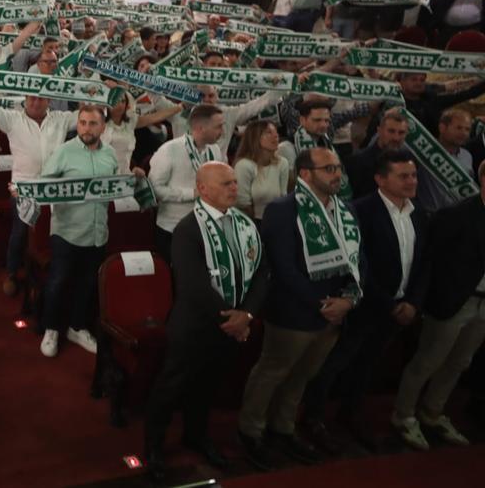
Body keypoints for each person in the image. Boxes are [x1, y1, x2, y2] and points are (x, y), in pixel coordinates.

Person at [238, 147, 362, 470]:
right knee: (271, 374)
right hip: (294, 313)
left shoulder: (345, 209)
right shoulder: (282, 210)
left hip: (333, 314)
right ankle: (251, 433)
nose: (337, 175)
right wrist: (322, 304)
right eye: (328, 169)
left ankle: (283, 429)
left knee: (302, 377)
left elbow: (357, 260)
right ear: (305, 174)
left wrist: (348, 300)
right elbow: (282, 268)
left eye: (338, 168)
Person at [143, 162, 267, 481]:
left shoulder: (246, 223)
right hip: (195, 326)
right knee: (172, 385)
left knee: (208, 385)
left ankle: (196, 435)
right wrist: (234, 319)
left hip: (232, 325)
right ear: (203, 189)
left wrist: (247, 314)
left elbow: (261, 273)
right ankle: (154, 445)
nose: (234, 188)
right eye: (226, 183)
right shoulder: (187, 229)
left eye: (235, 182)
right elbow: (193, 286)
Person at [301, 151, 427, 453]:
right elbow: (359, 264)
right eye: (403, 176)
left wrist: (412, 302)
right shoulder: (359, 211)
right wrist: (389, 304)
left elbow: (424, 262)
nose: (411, 181)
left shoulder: (418, 212)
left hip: (399, 308)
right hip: (365, 307)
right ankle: (313, 418)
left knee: (368, 365)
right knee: (335, 363)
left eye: (413, 175)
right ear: (380, 179)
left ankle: (351, 414)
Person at [391, 160, 485, 451]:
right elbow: (433, 260)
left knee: (459, 362)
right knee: (428, 361)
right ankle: (403, 417)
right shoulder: (457, 215)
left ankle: (432, 413)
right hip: (453, 302)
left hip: (483, 307)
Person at [0, 85, 78, 296]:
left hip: (54, 190)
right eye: (32, 98)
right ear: (25, 99)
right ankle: (11, 273)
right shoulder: (13, 119)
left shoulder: (61, 118)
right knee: (20, 234)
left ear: (49, 101)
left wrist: (97, 91)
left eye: (41, 99)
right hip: (23, 191)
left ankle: (48, 276)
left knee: (54, 234)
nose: (36, 102)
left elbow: (87, 115)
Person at [37, 106, 120, 357]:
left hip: (97, 231)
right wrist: (26, 190)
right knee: (58, 282)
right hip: (67, 231)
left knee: (87, 283)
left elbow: (115, 184)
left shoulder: (111, 154)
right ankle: (50, 329)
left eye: (92, 123)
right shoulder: (64, 151)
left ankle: (77, 326)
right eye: (82, 123)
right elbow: (44, 184)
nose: (86, 128)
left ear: (103, 127)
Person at [149, 105, 226, 261]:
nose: (222, 131)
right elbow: (154, 189)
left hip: (207, 227)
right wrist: (191, 194)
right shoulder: (169, 150)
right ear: (201, 128)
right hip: (173, 228)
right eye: (218, 126)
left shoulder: (216, 150)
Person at [416, 108, 476, 211]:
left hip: (458, 217)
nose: (464, 133)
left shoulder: (467, 156)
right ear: (442, 128)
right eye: (459, 128)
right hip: (429, 217)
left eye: (467, 129)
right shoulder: (424, 151)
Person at [233, 120, 291, 223]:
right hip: (251, 221)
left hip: (277, 220)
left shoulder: (282, 163)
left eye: (276, 132)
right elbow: (242, 204)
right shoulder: (244, 166)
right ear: (255, 137)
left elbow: (283, 196)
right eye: (268, 132)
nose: (275, 136)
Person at [347, 108, 409, 198]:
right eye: (391, 131)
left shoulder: (409, 161)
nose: (396, 138)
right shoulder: (357, 161)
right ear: (379, 131)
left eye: (401, 133)